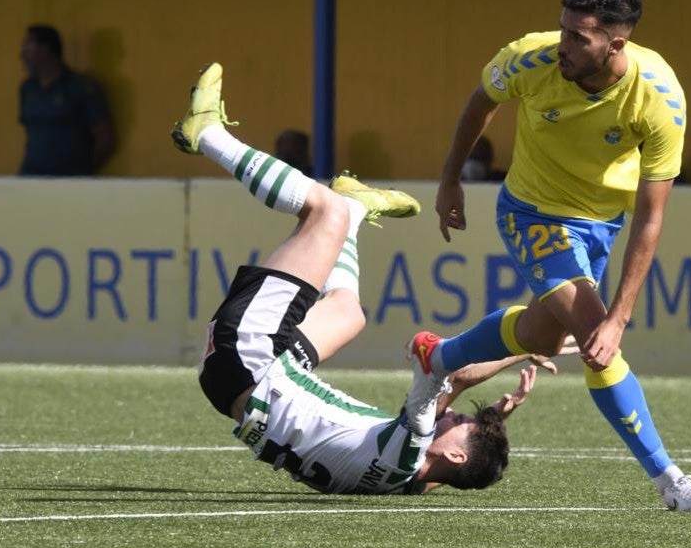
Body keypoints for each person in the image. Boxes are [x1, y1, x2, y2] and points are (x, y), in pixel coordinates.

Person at [173, 62, 545, 495]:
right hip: (234, 384)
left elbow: (452, 372)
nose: (450, 413)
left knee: (324, 211)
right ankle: (353, 207)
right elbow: (443, 470)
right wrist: (494, 419)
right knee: (348, 314)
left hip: (250, 356)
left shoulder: (413, 444)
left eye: (459, 422)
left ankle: (208, 134)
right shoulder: (404, 481)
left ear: (456, 455)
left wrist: (528, 339)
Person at [426, 0, 691, 512]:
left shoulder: (659, 100)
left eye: (578, 38)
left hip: (601, 222)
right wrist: (449, 179)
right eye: (562, 29)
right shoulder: (530, 59)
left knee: (540, 333)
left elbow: (650, 218)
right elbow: (481, 101)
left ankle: (441, 357)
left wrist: (622, 316)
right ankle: (669, 480)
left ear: (616, 43)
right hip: (531, 212)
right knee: (592, 335)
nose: (562, 44)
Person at [19, 24, 116, 176]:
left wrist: (80, 173)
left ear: (45, 50)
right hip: (30, 178)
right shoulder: (28, 89)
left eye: (28, 47)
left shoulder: (81, 87)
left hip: (69, 181)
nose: (23, 55)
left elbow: (105, 140)